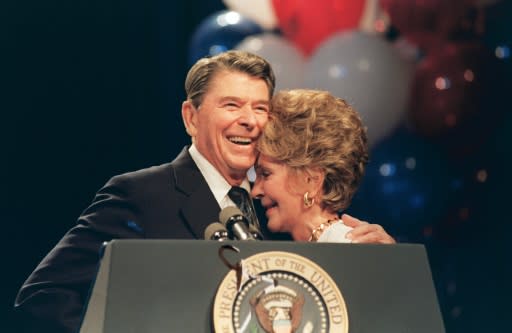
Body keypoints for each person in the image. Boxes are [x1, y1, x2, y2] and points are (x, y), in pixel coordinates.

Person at [14, 51, 393, 333]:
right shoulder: (142, 195)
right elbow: (42, 299)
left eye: (260, 107)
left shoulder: (276, 210)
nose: (249, 119)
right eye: (232, 104)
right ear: (191, 118)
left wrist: (383, 265)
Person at [252, 89, 396, 244]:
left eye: (265, 174)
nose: (255, 191)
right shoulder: (323, 244)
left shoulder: (350, 245)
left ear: (312, 180)